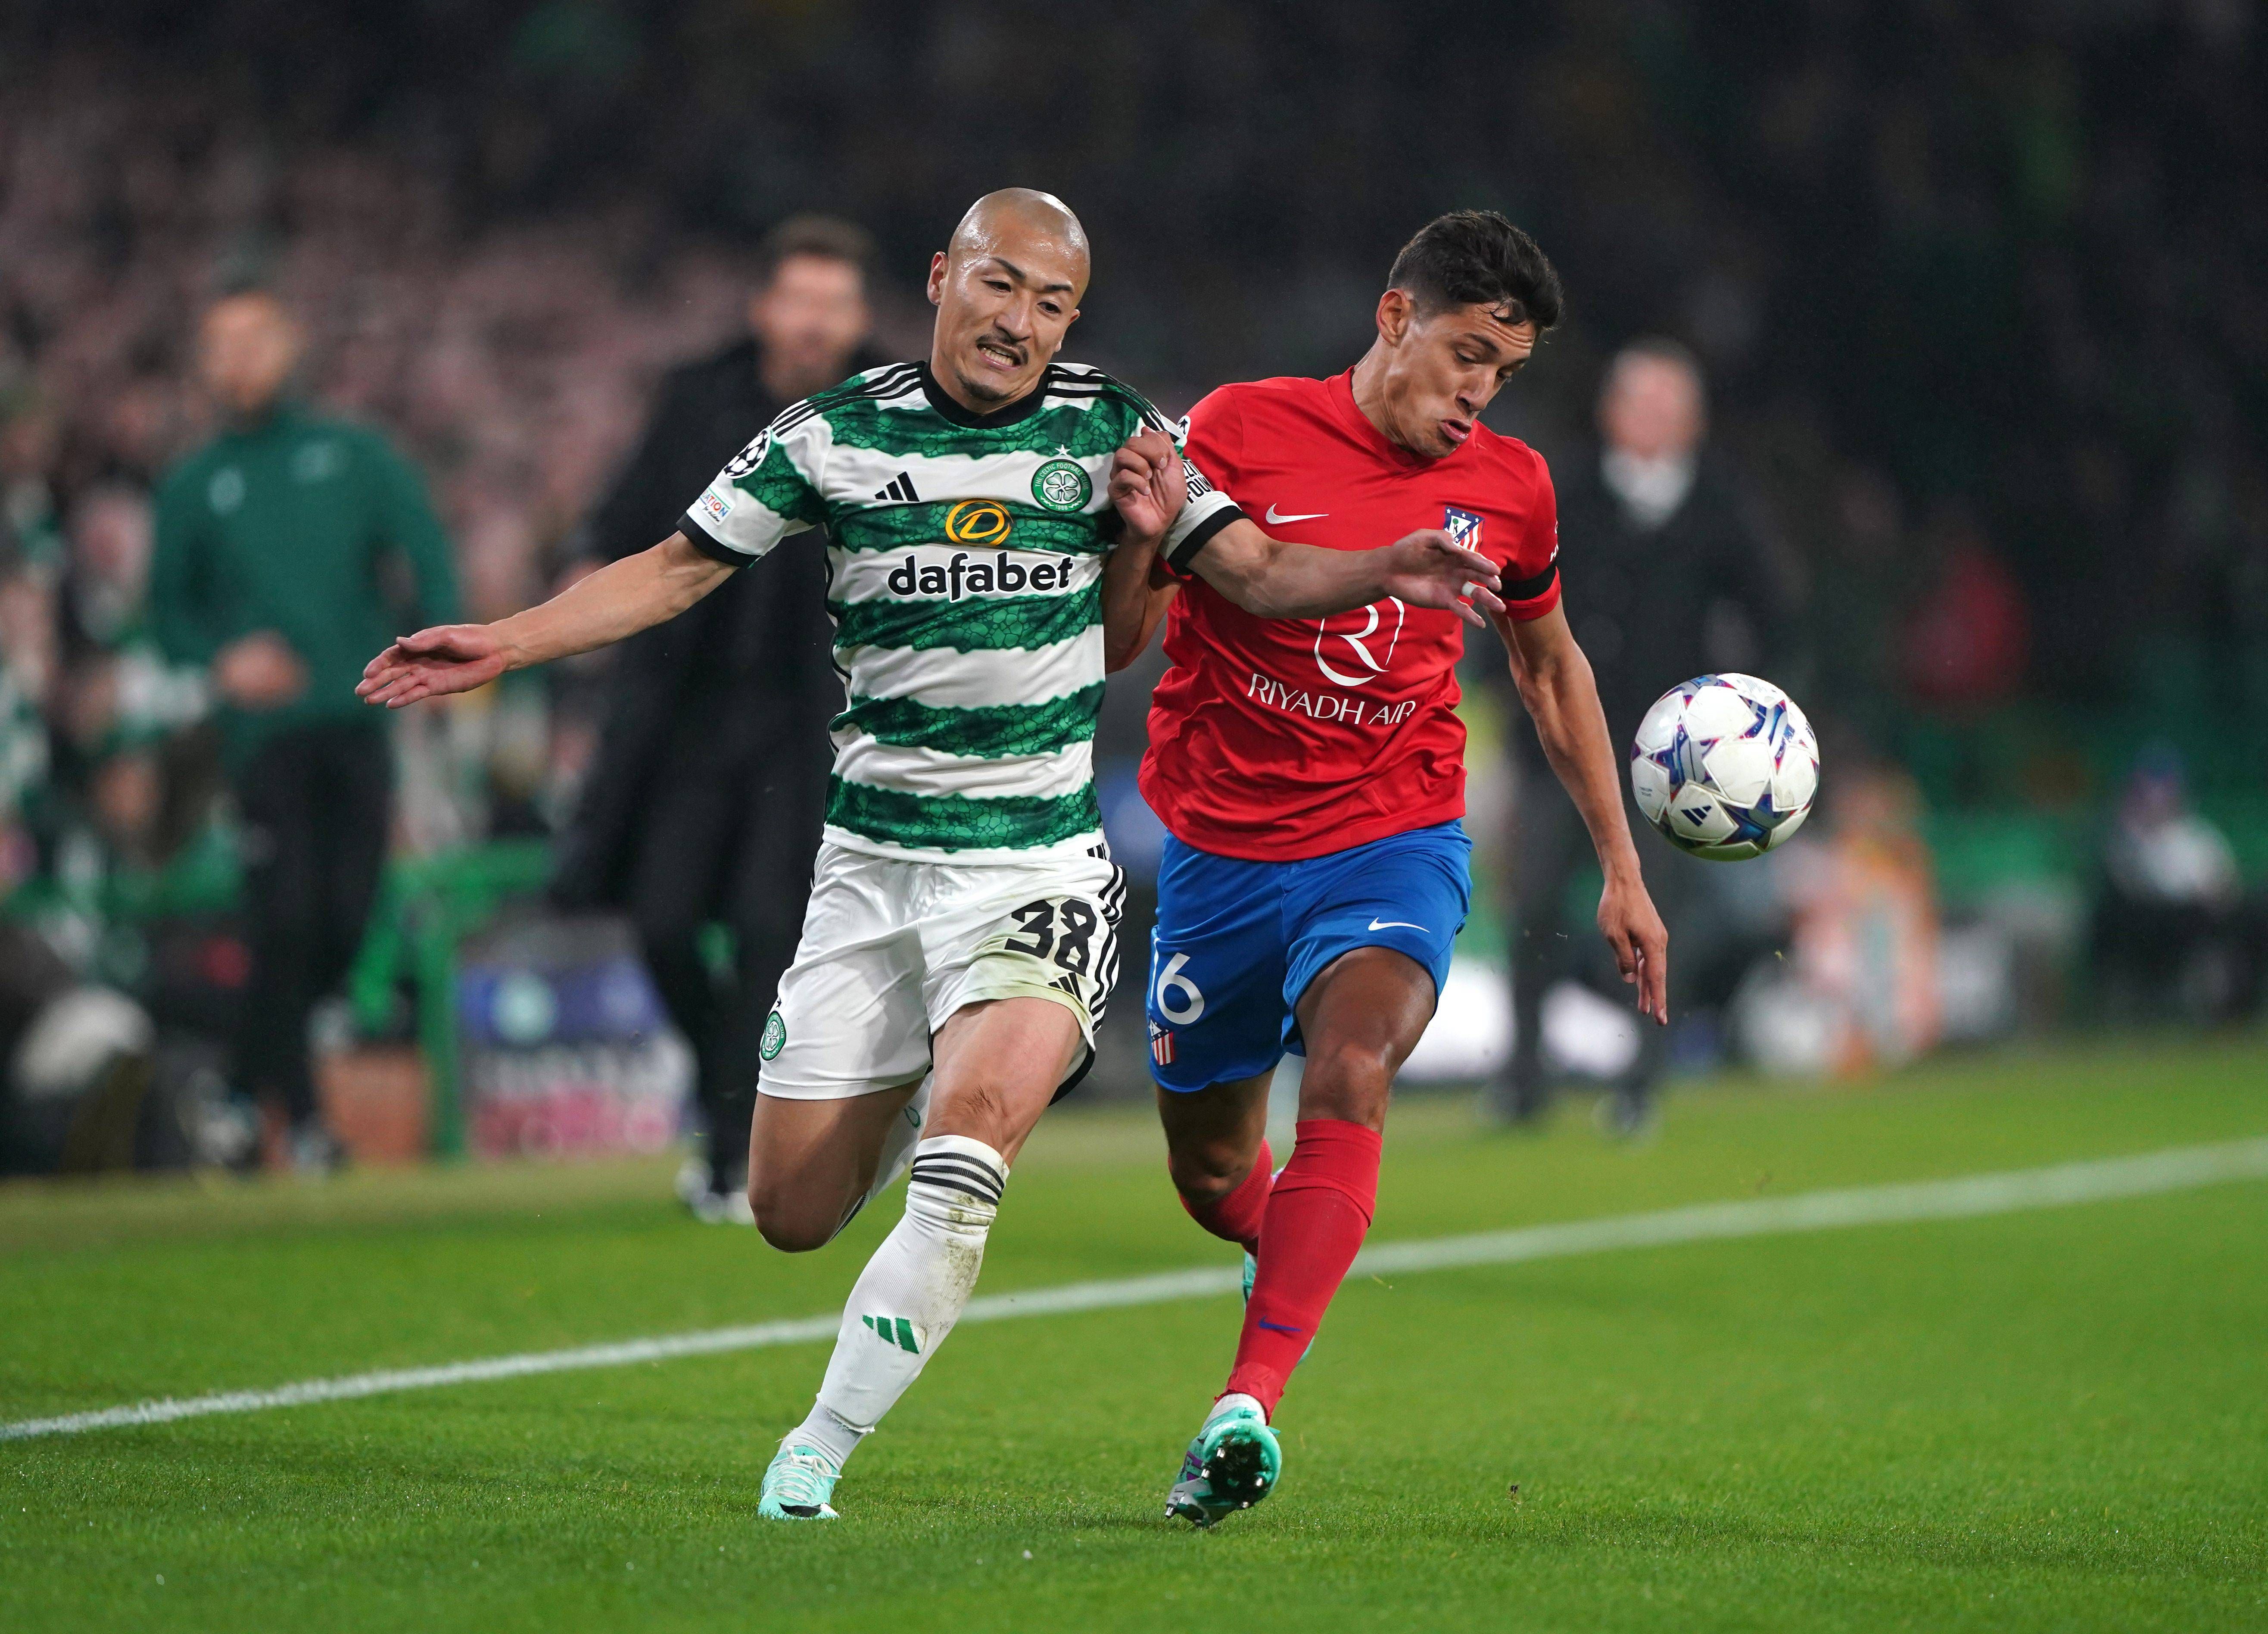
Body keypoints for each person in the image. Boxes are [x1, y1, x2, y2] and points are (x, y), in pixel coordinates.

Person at [356, 188, 1503, 1524]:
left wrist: (1381, 567)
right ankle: (909, 1093)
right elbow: (673, 567)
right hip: (871, 871)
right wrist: (504, 640)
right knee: (789, 1208)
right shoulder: (833, 435)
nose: (1021, 323)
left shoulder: (1113, 432)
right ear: (941, 278)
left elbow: (1250, 570)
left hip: (1036, 872)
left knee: (970, 1159)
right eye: (1000, 286)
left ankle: (816, 1454)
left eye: (1053, 303)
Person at [1101, 211, 1670, 1526]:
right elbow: (1128, 639)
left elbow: (1547, 664)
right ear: (1395, 318)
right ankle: (1285, 1247)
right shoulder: (1238, 427)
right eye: (1468, 353)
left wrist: (1620, 868)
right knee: (1206, 1174)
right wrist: (1141, 534)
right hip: (1221, 851)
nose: (1479, 393)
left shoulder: (1514, 488)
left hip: (1393, 833)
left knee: (1355, 1068)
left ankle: (1245, 1406)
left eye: (1506, 374)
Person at [551, 216, 887, 1223]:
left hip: (813, 719)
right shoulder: (697, 397)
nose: (816, 322)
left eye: (835, 305)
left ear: (859, 319)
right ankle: (720, 1096)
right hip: (687, 712)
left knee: (762, 932)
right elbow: (625, 522)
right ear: (765, 308)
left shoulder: (886, 408)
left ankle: (734, 1143)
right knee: (658, 926)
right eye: (801, 299)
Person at [150, 291, 460, 1171]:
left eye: (254, 340)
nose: (239, 361)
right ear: (204, 364)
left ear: (290, 345)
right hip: (263, 739)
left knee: (344, 919)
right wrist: (222, 660)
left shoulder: (354, 454)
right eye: (221, 346)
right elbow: (167, 613)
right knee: (283, 921)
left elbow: (426, 550)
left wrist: (442, 639)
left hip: (362, 719)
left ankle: (247, 1093)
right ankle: (312, 1126)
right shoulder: (195, 481)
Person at [1492, 337, 1791, 1134]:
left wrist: (1744, 718)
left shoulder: (1723, 508)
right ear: (1609, 412)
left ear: (1694, 422)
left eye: (1669, 406)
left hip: (1675, 756)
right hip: (1555, 738)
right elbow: (1506, 602)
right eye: (1640, 401)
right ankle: (1523, 1078)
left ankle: (1641, 1080)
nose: (1653, 420)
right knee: (1534, 907)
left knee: (1664, 918)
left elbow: (1775, 620)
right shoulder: (1565, 494)